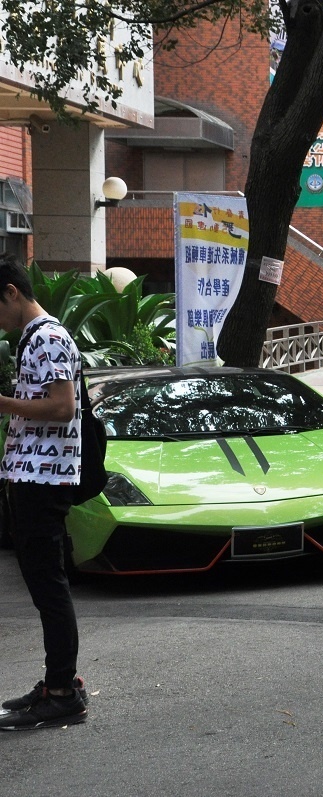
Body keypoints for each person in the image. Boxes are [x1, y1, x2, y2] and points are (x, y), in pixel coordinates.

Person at [0, 255, 89, 730]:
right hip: (34, 475)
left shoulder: (50, 338)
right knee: (43, 584)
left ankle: (62, 692)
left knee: (49, 587)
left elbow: (61, 408)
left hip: (44, 478)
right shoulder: (37, 338)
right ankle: (58, 683)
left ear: (12, 293)